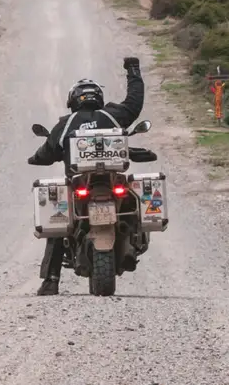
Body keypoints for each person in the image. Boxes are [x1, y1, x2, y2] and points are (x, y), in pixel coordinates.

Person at [27, 56, 143, 295]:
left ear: (72, 100)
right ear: (98, 98)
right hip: (113, 179)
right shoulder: (113, 115)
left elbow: (47, 152)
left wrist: (36, 158)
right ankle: (131, 246)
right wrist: (134, 70)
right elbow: (134, 103)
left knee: (60, 225)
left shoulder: (66, 123)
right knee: (134, 204)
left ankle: (51, 280)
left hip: (80, 182)